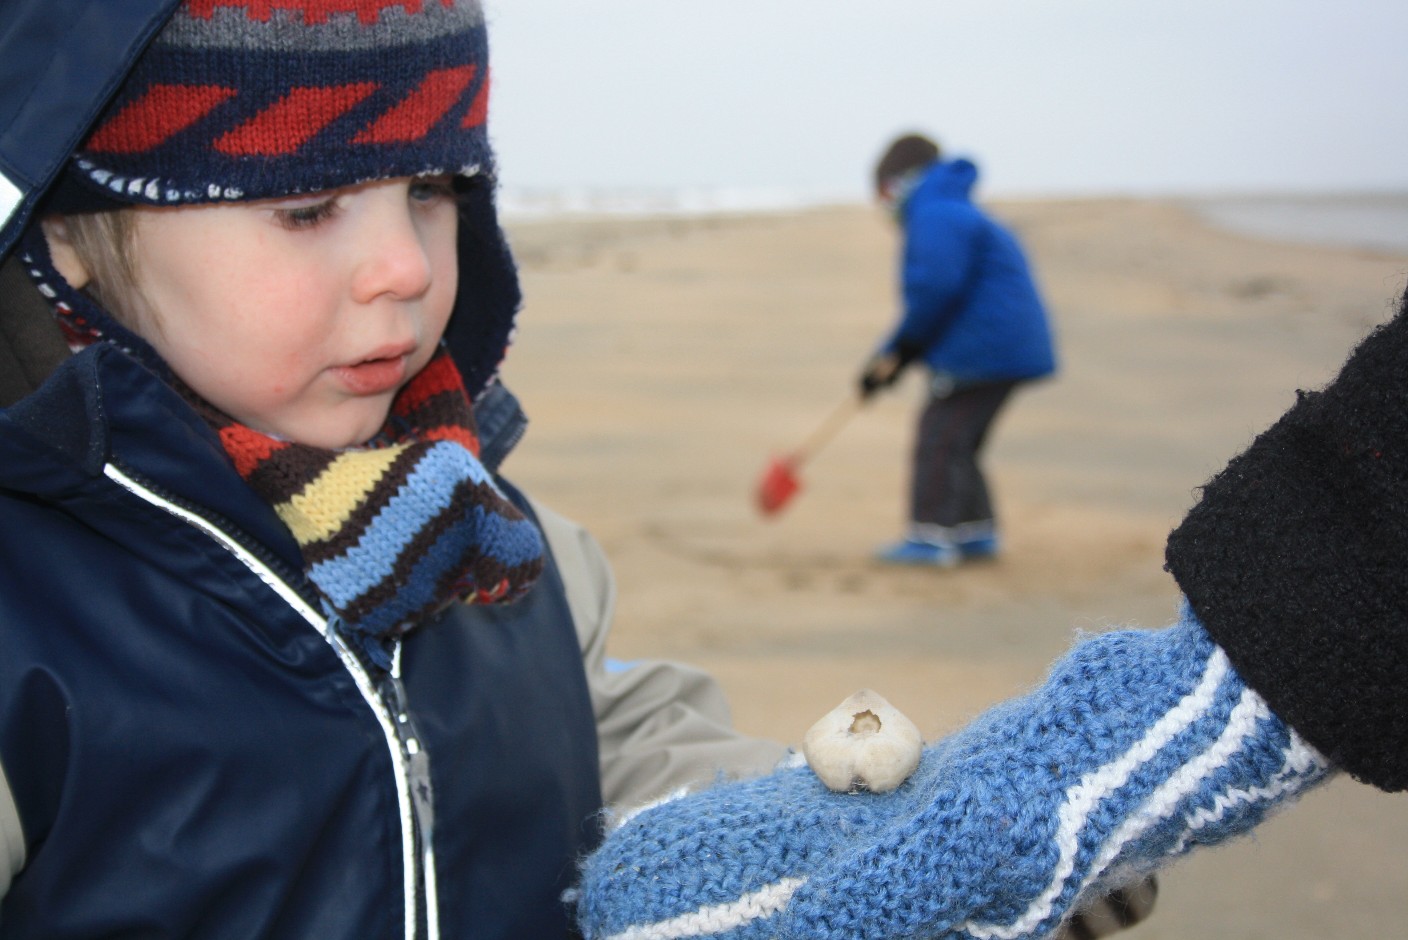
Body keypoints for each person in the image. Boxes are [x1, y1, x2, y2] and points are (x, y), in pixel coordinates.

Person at [0, 5, 1157, 938]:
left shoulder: (506, 544)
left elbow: (611, 754)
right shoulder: (26, 614)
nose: (402, 266)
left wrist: (859, 833)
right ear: (70, 237)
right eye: (308, 207)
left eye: (435, 191)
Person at [572, 292, 1408, 939]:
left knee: (945, 439)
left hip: (977, 354)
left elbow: (613, 722)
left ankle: (945, 534)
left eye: (442, 195)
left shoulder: (545, 567)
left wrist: (826, 816)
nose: (428, 269)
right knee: (951, 441)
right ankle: (958, 530)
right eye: (426, 185)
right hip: (991, 353)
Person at [859, 133, 1057, 567]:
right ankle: (974, 533)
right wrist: (888, 358)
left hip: (986, 351)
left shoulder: (935, 214)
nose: (883, 206)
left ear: (899, 182)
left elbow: (933, 290)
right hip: (1000, 346)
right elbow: (937, 297)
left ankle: (931, 538)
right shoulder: (950, 208)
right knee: (961, 441)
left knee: (939, 438)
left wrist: (901, 352)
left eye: (882, 193)